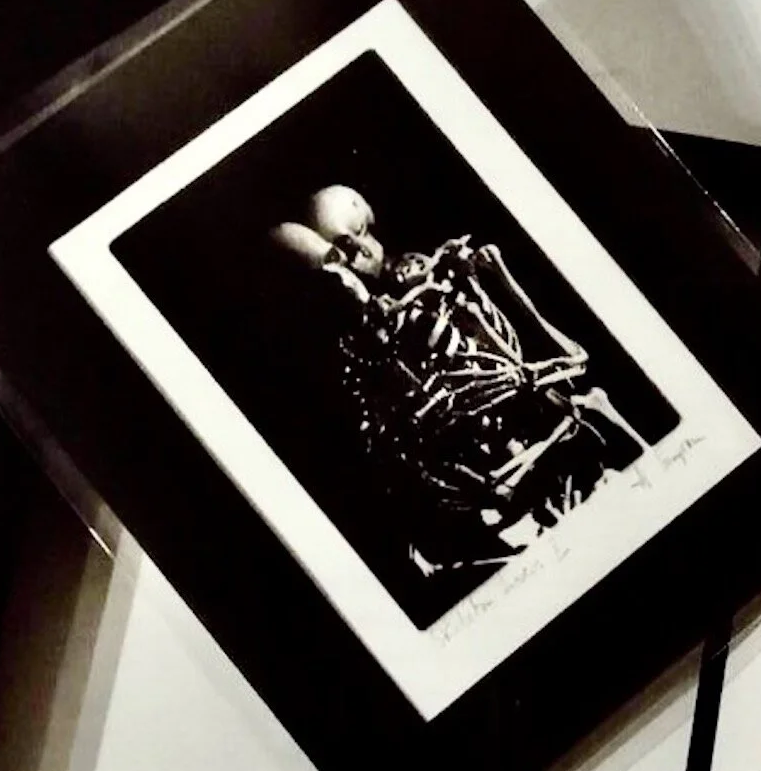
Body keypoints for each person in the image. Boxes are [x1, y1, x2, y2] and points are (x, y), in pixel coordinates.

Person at [271, 187, 645, 579]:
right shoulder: (362, 379)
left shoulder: (425, 311)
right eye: (333, 264)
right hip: (501, 504)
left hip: (542, 449)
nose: (350, 270)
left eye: (356, 241)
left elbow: (510, 361)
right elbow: (404, 461)